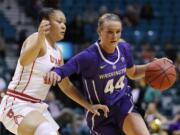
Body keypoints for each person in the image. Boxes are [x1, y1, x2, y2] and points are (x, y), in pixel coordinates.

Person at [44, 13, 172, 135]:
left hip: (123, 103)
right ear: (99, 32)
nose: (115, 36)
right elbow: (62, 71)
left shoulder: (124, 48)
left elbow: (132, 73)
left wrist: (152, 66)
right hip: (100, 115)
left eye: (118, 31)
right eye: (110, 32)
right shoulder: (88, 57)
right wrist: (55, 74)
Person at [0, 8, 109, 135]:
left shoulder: (58, 53)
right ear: (46, 23)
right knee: (45, 131)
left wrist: (88, 106)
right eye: (59, 21)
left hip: (38, 107)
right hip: (17, 103)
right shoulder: (35, 38)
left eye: (65, 23)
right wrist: (40, 37)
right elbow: (24, 61)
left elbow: (66, 86)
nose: (63, 26)